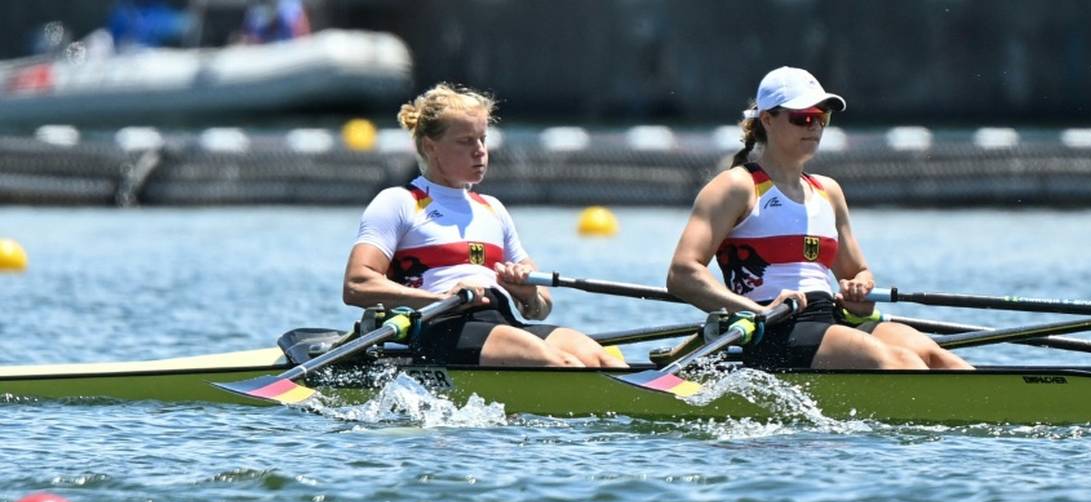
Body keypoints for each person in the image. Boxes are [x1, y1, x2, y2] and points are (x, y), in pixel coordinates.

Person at [666, 66, 972, 371]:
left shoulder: (828, 191)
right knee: (901, 362)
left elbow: (858, 273)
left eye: (821, 118)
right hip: (773, 329)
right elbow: (682, 274)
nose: (814, 127)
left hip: (830, 318)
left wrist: (859, 289)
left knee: (936, 357)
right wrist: (753, 313)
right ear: (768, 120)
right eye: (803, 118)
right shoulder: (736, 187)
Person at [342, 83, 625, 368]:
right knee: (565, 365)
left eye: (482, 139)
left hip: (502, 323)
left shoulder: (492, 209)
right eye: (466, 141)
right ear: (431, 146)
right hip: (444, 326)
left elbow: (541, 308)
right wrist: (438, 298)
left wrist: (527, 295)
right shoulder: (399, 202)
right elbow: (356, 284)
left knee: (603, 359)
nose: (480, 151)